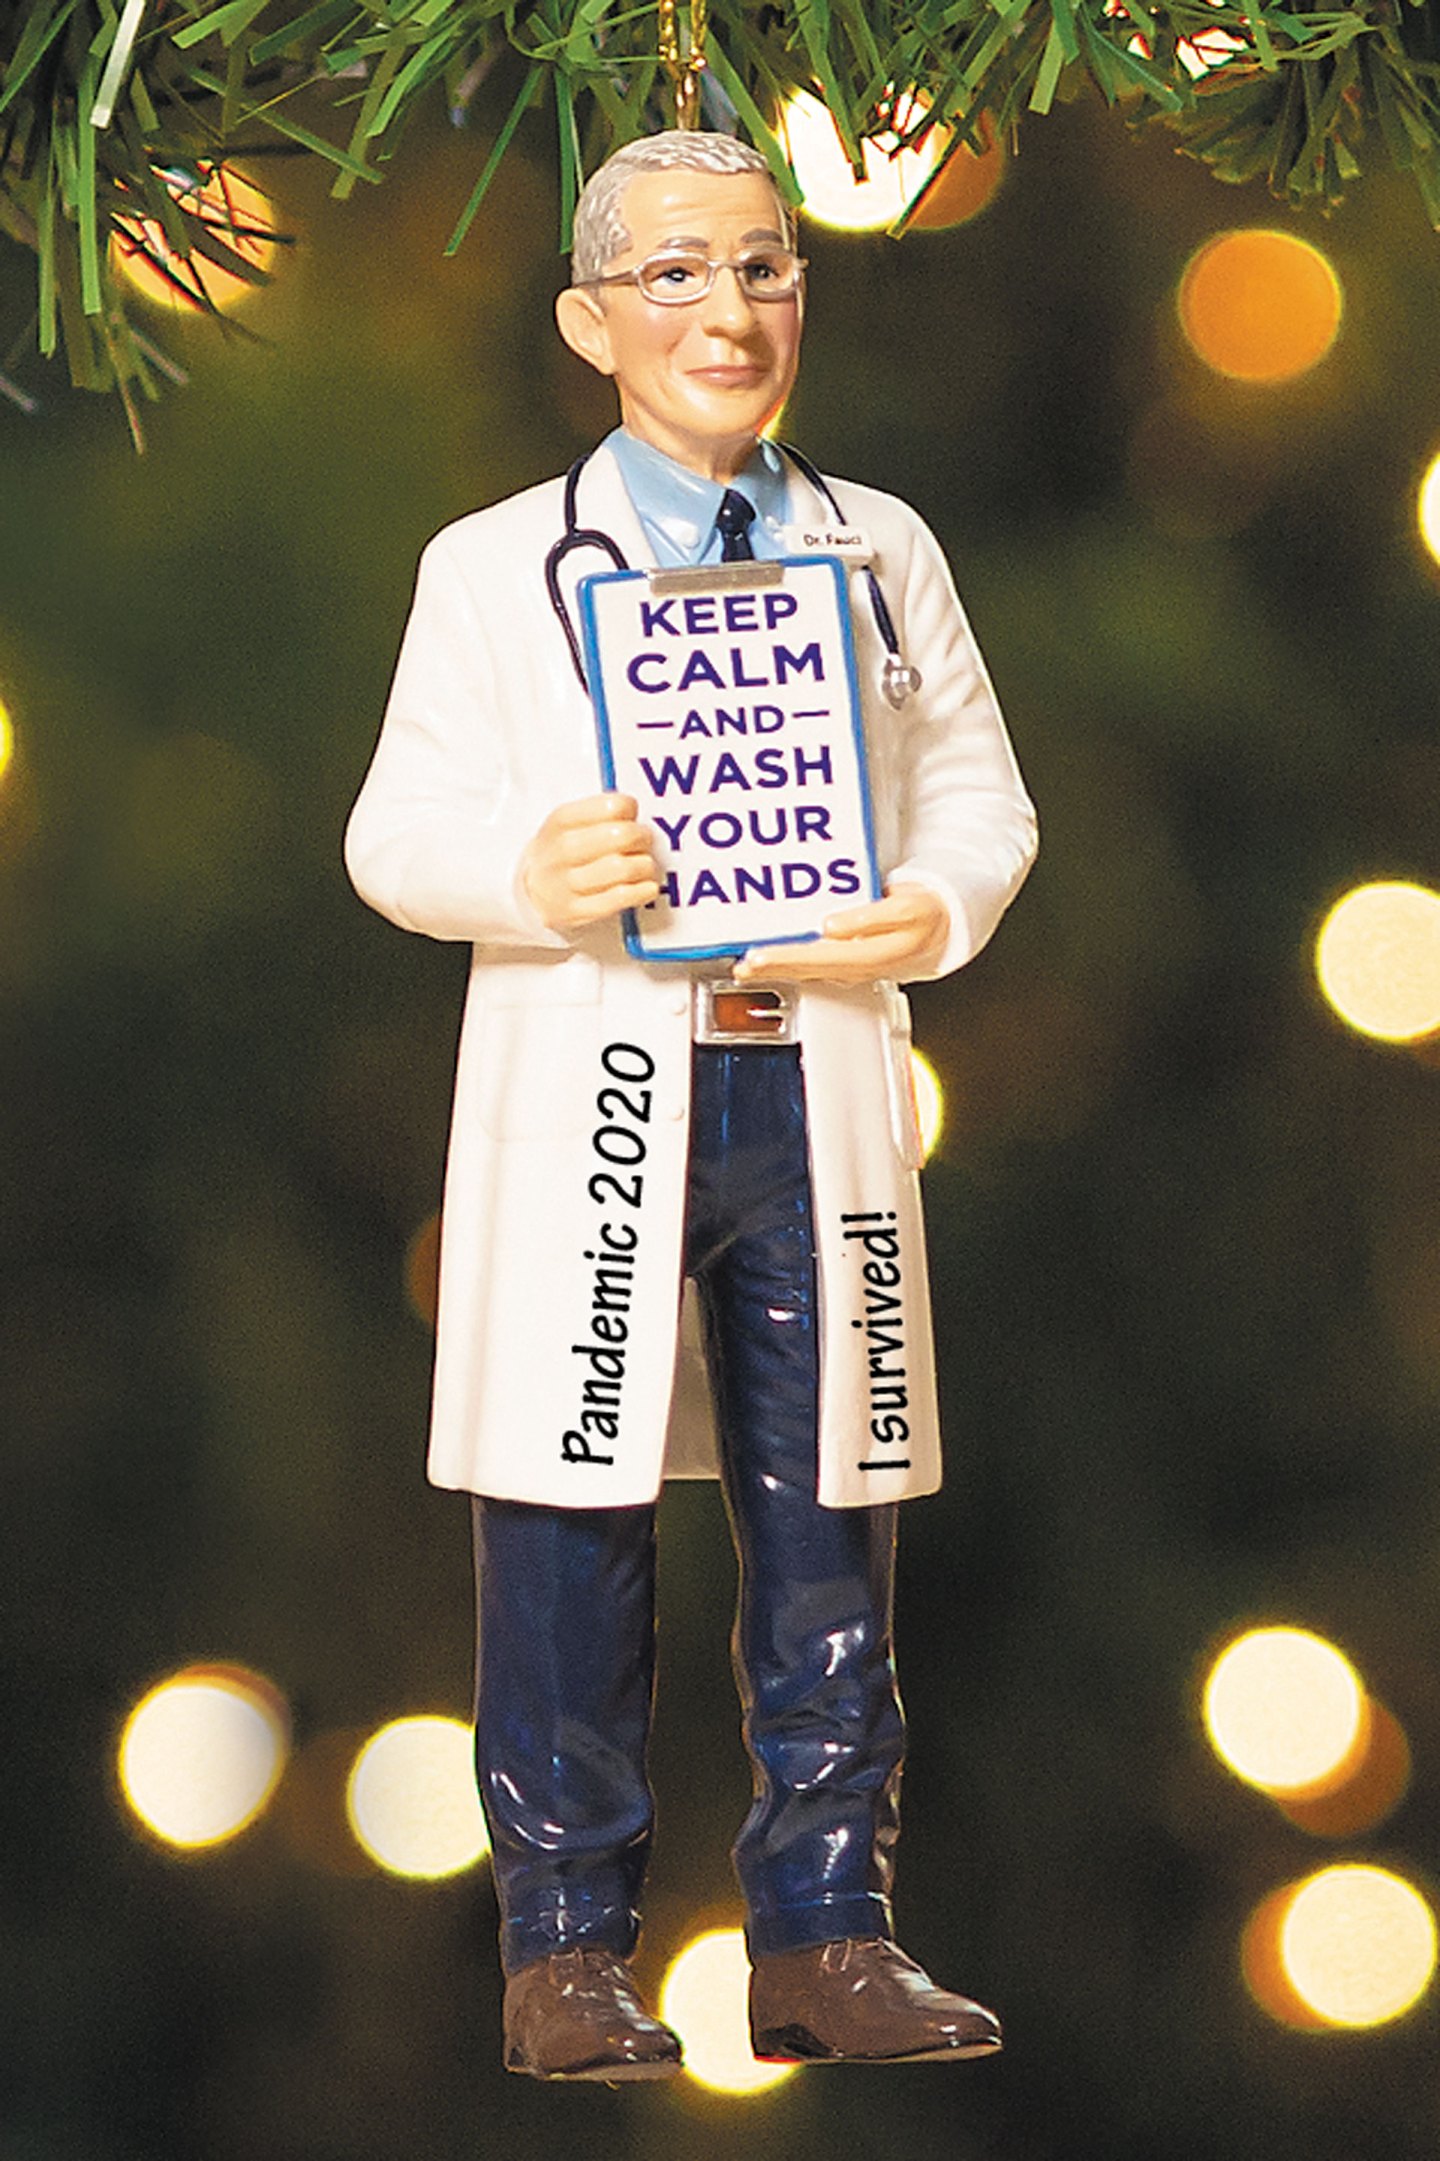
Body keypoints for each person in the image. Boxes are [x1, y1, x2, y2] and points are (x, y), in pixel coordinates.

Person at [345, 129, 1037, 2081]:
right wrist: (524, 874)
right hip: (603, 1095)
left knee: (832, 1508)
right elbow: (393, 832)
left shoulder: (881, 550)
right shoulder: (493, 570)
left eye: (763, 268)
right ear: (590, 322)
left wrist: (934, 904)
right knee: (570, 1510)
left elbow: (978, 793)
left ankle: (825, 1928)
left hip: (815, 1087)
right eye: (674, 274)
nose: (727, 312)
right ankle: (564, 1947)